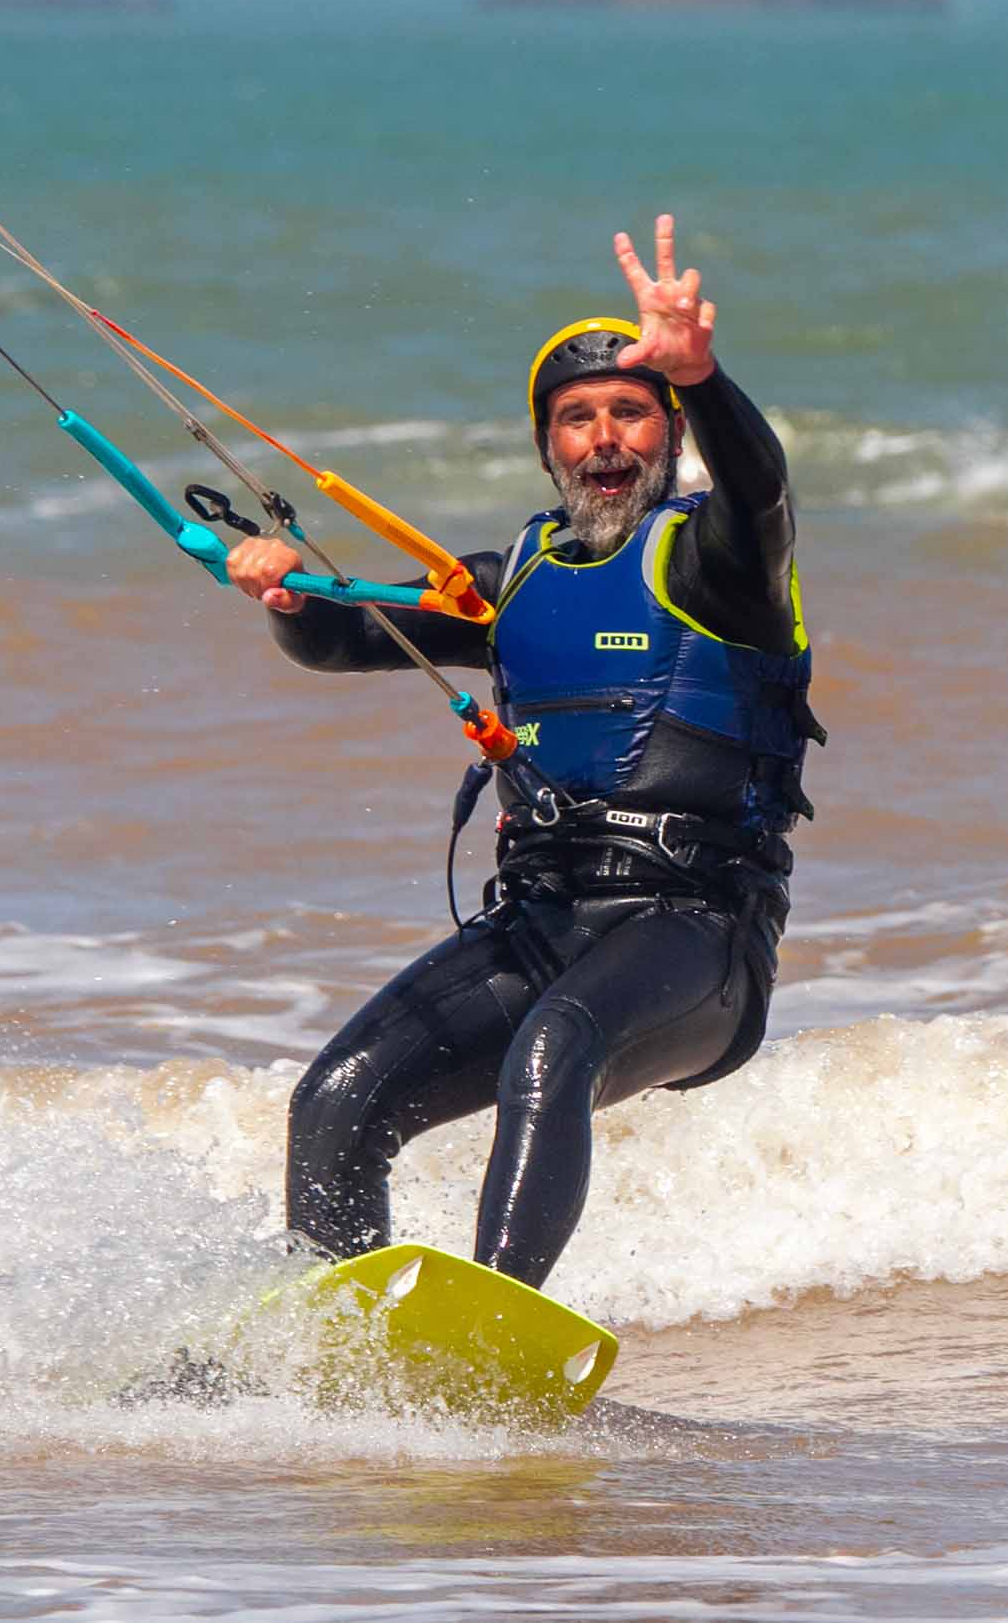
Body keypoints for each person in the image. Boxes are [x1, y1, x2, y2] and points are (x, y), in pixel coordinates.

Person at [224, 215, 822, 1289]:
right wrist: (279, 592)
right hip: (542, 917)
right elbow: (345, 634)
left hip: (697, 930)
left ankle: (493, 1320)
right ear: (547, 443)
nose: (603, 438)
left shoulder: (719, 562)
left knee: (554, 1047)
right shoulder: (513, 577)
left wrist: (704, 377)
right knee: (338, 1096)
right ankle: (336, 1338)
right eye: (577, 418)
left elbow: (763, 493)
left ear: (670, 434)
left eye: (632, 414)